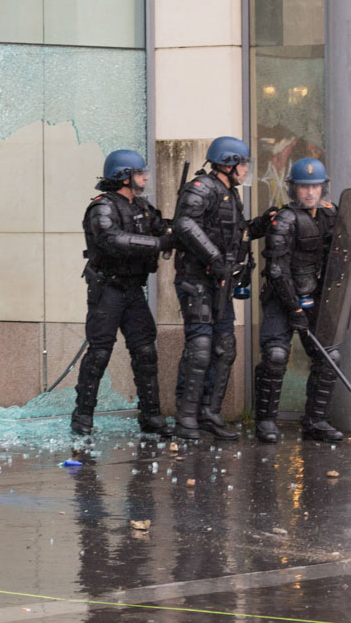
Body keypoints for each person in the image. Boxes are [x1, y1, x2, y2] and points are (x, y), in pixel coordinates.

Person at [170, 136, 276, 441]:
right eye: (243, 163)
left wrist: (260, 225)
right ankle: (186, 417)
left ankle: (210, 414)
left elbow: (235, 233)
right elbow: (185, 224)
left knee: (224, 348)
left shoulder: (230, 193)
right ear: (228, 163)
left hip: (221, 285)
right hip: (197, 281)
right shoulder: (201, 189)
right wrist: (214, 258)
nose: (245, 170)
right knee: (200, 349)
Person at [72, 149, 177, 437]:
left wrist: (178, 228)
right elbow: (112, 239)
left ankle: (152, 416)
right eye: (140, 172)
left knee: (145, 351)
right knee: (99, 354)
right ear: (123, 176)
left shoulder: (140, 206)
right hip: (108, 289)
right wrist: (158, 243)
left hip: (133, 290)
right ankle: (82, 417)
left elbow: (162, 226)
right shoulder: (102, 208)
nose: (145, 177)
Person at [254, 158, 345, 443]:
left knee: (329, 356)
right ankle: (266, 422)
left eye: (315, 186)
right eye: (304, 187)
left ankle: (315, 421)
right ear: (294, 189)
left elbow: (340, 255)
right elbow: (277, 271)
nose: (309, 192)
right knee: (276, 355)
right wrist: (294, 308)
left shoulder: (330, 215)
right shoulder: (284, 220)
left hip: (313, 294)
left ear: (323, 188)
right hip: (282, 299)